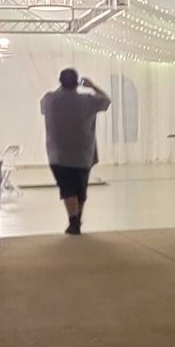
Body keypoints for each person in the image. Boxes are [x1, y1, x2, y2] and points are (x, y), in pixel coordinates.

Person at [40, 68, 110, 235]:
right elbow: (106, 100)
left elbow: (44, 107)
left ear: (60, 81)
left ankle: (74, 221)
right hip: (83, 152)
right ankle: (75, 220)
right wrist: (92, 85)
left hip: (57, 153)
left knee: (67, 188)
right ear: (77, 82)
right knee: (80, 188)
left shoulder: (49, 99)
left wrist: (62, 87)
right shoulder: (87, 100)